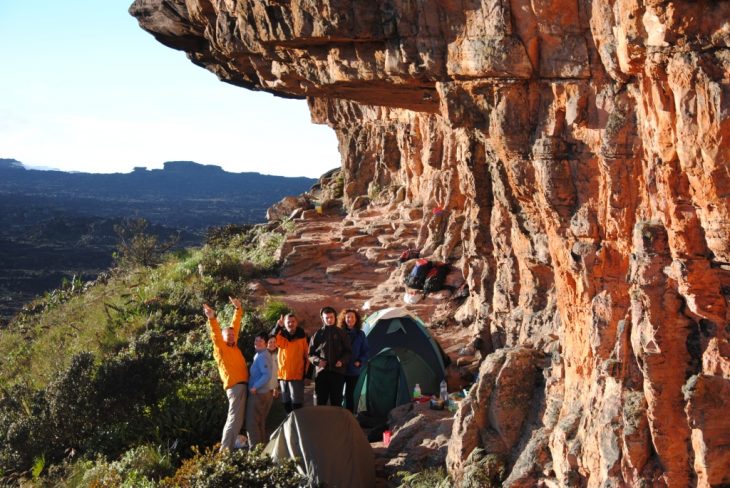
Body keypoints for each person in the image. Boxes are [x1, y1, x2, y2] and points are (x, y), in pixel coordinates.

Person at [203, 297, 249, 451]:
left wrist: (238, 309)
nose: (231, 336)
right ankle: (225, 451)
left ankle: (234, 445)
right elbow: (216, 334)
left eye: (232, 335)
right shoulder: (221, 349)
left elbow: (234, 327)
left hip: (242, 386)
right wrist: (212, 318)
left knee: (239, 419)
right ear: (223, 338)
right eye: (227, 335)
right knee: (234, 419)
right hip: (235, 387)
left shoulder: (234, 347)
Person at [309, 306, 351, 407]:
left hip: (338, 373)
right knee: (320, 401)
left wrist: (342, 361)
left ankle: (335, 422)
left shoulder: (342, 333)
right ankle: (320, 422)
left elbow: (348, 351)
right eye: (326, 318)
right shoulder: (317, 334)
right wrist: (317, 361)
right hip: (322, 373)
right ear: (322, 319)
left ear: (335, 317)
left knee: (336, 402)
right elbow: (310, 354)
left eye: (331, 317)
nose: (329, 320)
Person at [272, 313, 309, 413]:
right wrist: (277, 326)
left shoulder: (303, 336)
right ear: (284, 323)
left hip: (297, 375)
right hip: (283, 375)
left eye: (293, 321)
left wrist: (307, 375)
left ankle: (299, 424)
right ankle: (289, 424)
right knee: (286, 403)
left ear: (296, 323)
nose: (291, 324)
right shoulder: (280, 336)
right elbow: (270, 339)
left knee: (297, 404)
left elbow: (307, 356)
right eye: (288, 322)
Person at [245, 333, 274, 447]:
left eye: (260, 341)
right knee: (260, 422)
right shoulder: (260, 354)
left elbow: (266, 375)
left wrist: (255, 386)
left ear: (266, 343)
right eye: (256, 340)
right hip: (262, 393)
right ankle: (262, 450)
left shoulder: (262, 356)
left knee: (251, 424)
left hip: (258, 394)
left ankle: (255, 452)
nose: (257, 343)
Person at [338, 309, 369, 413]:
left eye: (352, 317)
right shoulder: (339, 333)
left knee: (349, 394)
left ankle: (350, 416)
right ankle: (337, 415)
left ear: (356, 320)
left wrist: (360, 361)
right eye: (348, 317)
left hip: (353, 369)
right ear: (344, 319)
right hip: (340, 369)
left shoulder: (361, 334)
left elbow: (365, 351)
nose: (350, 319)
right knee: (337, 393)